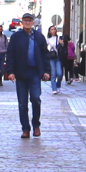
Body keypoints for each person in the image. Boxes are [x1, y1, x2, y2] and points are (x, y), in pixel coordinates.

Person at [6, 10, 53, 139]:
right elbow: (10, 55)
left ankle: (36, 125)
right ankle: (25, 128)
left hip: (34, 73)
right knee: (22, 103)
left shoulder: (39, 37)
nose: (27, 23)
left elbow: (45, 55)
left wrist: (47, 71)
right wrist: (10, 72)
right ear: (22, 23)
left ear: (33, 23)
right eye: (25, 21)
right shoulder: (16, 37)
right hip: (21, 73)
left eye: (29, 21)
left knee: (36, 99)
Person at [47, 26, 64, 94]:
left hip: (58, 57)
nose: (53, 30)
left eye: (54, 29)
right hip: (51, 57)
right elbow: (45, 48)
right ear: (49, 31)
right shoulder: (48, 39)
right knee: (53, 73)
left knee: (59, 73)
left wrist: (61, 43)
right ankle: (54, 88)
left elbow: (63, 47)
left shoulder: (59, 38)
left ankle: (58, 85)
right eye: (52, 29)